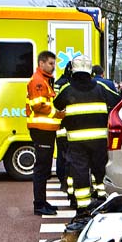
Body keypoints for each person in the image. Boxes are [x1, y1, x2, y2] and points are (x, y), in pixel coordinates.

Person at [53, 55, 120, 231]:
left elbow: (57, 106)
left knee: (80, 172)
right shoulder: (101, 88)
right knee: (100, 169)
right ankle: (101, 199)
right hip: (99, 140)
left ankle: (82, 208)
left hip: (76, 141)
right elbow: (118, 102)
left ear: (73, 71)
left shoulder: (67, 89)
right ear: (90, 71)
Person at [26, 50, 64, 216]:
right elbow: (38, 105)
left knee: (45, 167)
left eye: (53, 63)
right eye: (50, 63)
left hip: (45, 130)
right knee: (42, 168)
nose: (53, 66)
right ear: (41, 63)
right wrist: (58, 113)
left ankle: (42, 201)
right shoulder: (39, 81)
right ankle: (39, 204)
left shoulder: (44, 80)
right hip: (41, 130)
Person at [54, 62, 73, 199]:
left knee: (62, 155)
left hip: (59, 125)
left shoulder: (58, 83)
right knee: (65, 156)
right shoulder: (66, 85)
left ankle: (63, 180)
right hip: (64, 124)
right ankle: (64, 180)